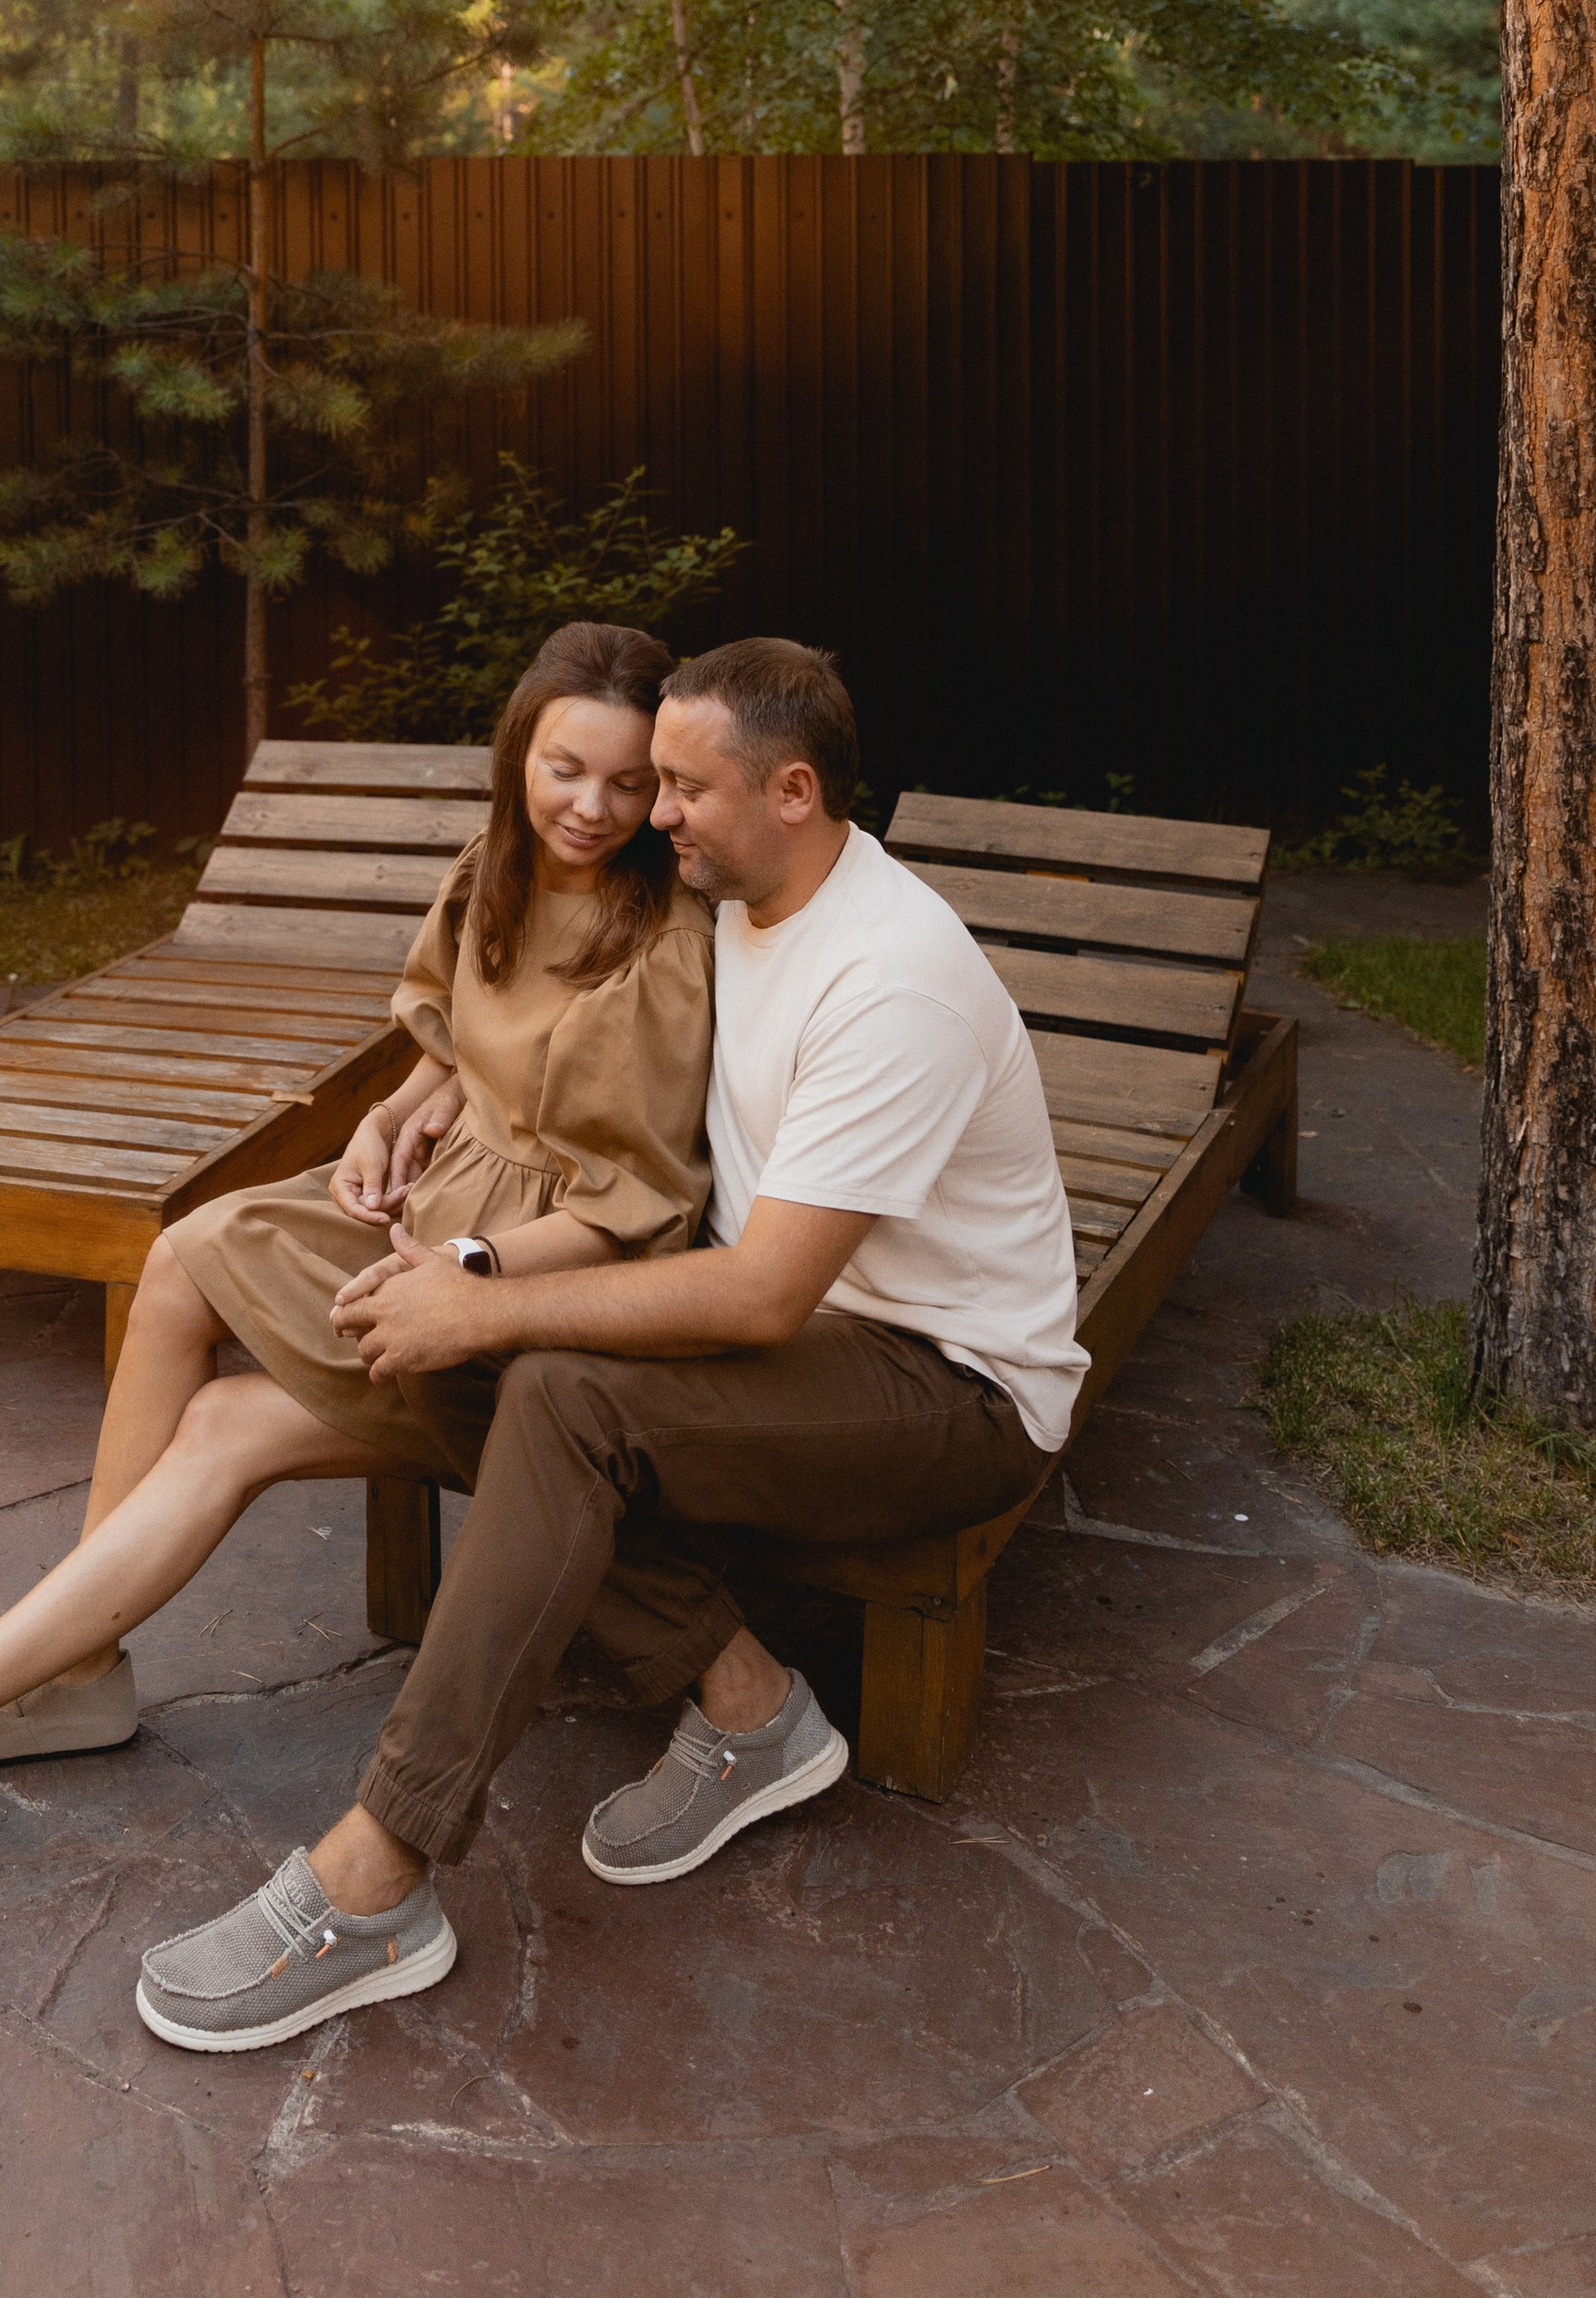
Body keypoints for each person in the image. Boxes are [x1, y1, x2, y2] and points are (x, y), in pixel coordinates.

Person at [128, 634, 1086, 2055]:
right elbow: (554, 1050)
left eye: (687, 787)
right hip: (806, 1338)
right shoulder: (740, 906)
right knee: (491, 1367)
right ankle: (753, 1705)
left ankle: (379, 1871)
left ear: (796, 793)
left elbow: (762, 1297)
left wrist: (490, 1295)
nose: (659, 812)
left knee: (555, 1387)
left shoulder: (891, 979)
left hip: (941, 1384)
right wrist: (432, 1092)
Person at [0, 619, 716, 1852]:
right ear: (519, 755)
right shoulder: (498, 866)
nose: (592, 807)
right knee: (180, 1253)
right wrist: (393, 1114)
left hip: (525, 1283)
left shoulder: (660, 951)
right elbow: (456, 1046)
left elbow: (628, 1213)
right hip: (443, 1204)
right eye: (565, 768)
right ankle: (75, 1672)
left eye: (628, 781)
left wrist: (466, 1275)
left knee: (227, 1420)